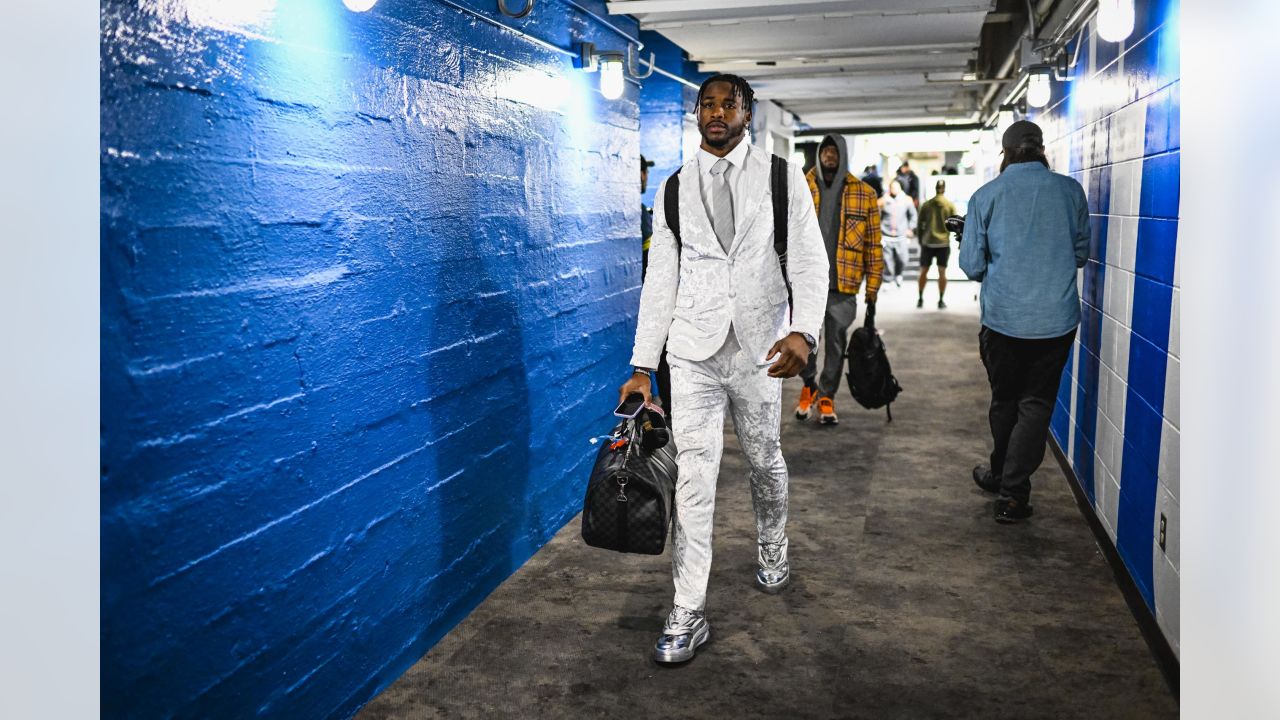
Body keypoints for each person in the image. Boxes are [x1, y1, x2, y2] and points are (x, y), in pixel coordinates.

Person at [618, 73, 828, 663]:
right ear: (696, 114)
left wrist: (804, 330)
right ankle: (688, 608)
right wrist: (642, 363)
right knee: (695, 476)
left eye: (727, 104)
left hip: (764, 349)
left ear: (747, 112)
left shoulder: (783, 177)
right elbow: (661, 279)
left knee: (765, 460)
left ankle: (771, 543)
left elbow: (810, 261)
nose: (716, 113)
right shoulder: (675, 188)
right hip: (693, 352)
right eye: (706, 104)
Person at [959, 120, 1089, 524]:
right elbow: (1081, 254)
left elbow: (971, 265)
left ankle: (1007, 483)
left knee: (1005, 401)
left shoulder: (987, 195)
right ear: (1041, 149)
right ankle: (1011, 489)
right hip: (1056, 321)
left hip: (1003, 321)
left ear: (1006, 152)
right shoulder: (1070, 192)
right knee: (1035, 405)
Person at [795, 135, 882, 425]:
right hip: (805, 284)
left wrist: (873, 287)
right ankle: (809, 383)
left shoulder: (864, 193)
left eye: (834, 151)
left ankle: (827, 395)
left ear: (843, 155)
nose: (829, 156)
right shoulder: (800, 188)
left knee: (835, 344)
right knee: (804, 343)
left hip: (843, 285)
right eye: (825, 151)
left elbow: (874, 243)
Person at [639, 154, 673, 421]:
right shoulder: (639, 217)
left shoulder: (644, 214)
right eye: (641, 171)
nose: (644, 177)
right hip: (651, 305)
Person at [915, 179, 958, 309]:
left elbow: (919, 224)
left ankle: (920, 298)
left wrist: (920, 239)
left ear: (935, 188)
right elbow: (955, 223)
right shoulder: (949, 205)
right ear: (944, 189)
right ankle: (940, 300)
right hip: (943, 243)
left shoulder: (926, 205)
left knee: (923, 271)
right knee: (942, 272)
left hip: (928, 242)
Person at [879, 180, 916, 287]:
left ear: (900, 188)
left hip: (901, 235)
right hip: (886, 235)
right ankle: (888, 279)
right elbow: (876, 216)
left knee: (903, 259)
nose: (894, 189)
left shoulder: (907, 200)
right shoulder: (883, 201)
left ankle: (899, 274)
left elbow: (913, 215)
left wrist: (910, 228)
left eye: (896, 187)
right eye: (892, 187)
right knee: (887, 260)